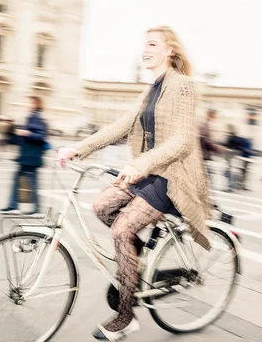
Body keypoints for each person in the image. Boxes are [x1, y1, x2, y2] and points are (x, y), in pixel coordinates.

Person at [57, 26, 211, 341]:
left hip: (171, 176)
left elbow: (182, 140)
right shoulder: (150, 89)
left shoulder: (182, 86)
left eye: (152, 44)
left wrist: (141, 163)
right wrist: (78, 148)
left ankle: (126, 317)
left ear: (170, 50)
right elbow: (121, 126)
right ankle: (134, 265)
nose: (145, 49)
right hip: (147, 171)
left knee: (121, 230)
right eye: (145, 44)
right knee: (100, 206)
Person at [0, 96, 48, 215]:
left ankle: (28, 208)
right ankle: (15, 206)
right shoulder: (32, 116)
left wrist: (26, 133)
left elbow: (40, 136)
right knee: (22, 180)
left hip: (31, 156)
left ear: (36, 104)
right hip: (27, 155)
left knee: (30, 182)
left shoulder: (36, 117)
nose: (27, 104)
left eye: (30, 102)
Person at [200, 109, 223, 185]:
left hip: (206, 154)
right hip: (204, 154)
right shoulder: (205, 125)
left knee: (206, 174)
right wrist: (217, 148)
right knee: (206, 174)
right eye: (214, 116)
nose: (215, 118)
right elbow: (206, 141)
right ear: (210, 115)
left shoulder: (207, 125)